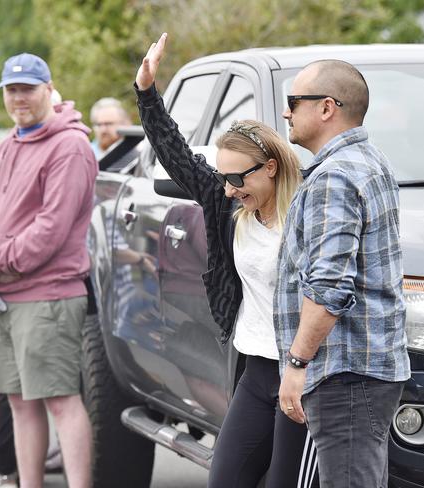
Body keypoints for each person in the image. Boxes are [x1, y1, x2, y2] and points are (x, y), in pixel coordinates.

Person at [135, 34, 318, 488]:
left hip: (304, 372)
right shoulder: (228, 204)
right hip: (255, 368)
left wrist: (301, 368)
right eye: (223, 176)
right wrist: (146, 93)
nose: (229, 187)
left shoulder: (310, 211)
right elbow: (176, 156)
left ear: (270, 168)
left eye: (237, 177)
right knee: (226, 478)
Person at [0, 52, 97, 488]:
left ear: (48, 88)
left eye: (27, 88)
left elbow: (52, 229)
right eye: (11, 90)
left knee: (60, 400)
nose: (18, 98)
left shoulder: (70, 146)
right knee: (20, 402)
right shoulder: (8, 143)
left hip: (49, 295)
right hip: (3, 295)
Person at [276, 59, 410, 487]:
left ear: (327, 108)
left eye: (294, 102)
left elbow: (330, 286)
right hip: (361, 372)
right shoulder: (366, 160)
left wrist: (297, 364)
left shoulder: (335, 175)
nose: (286, 112)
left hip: (345, 372)